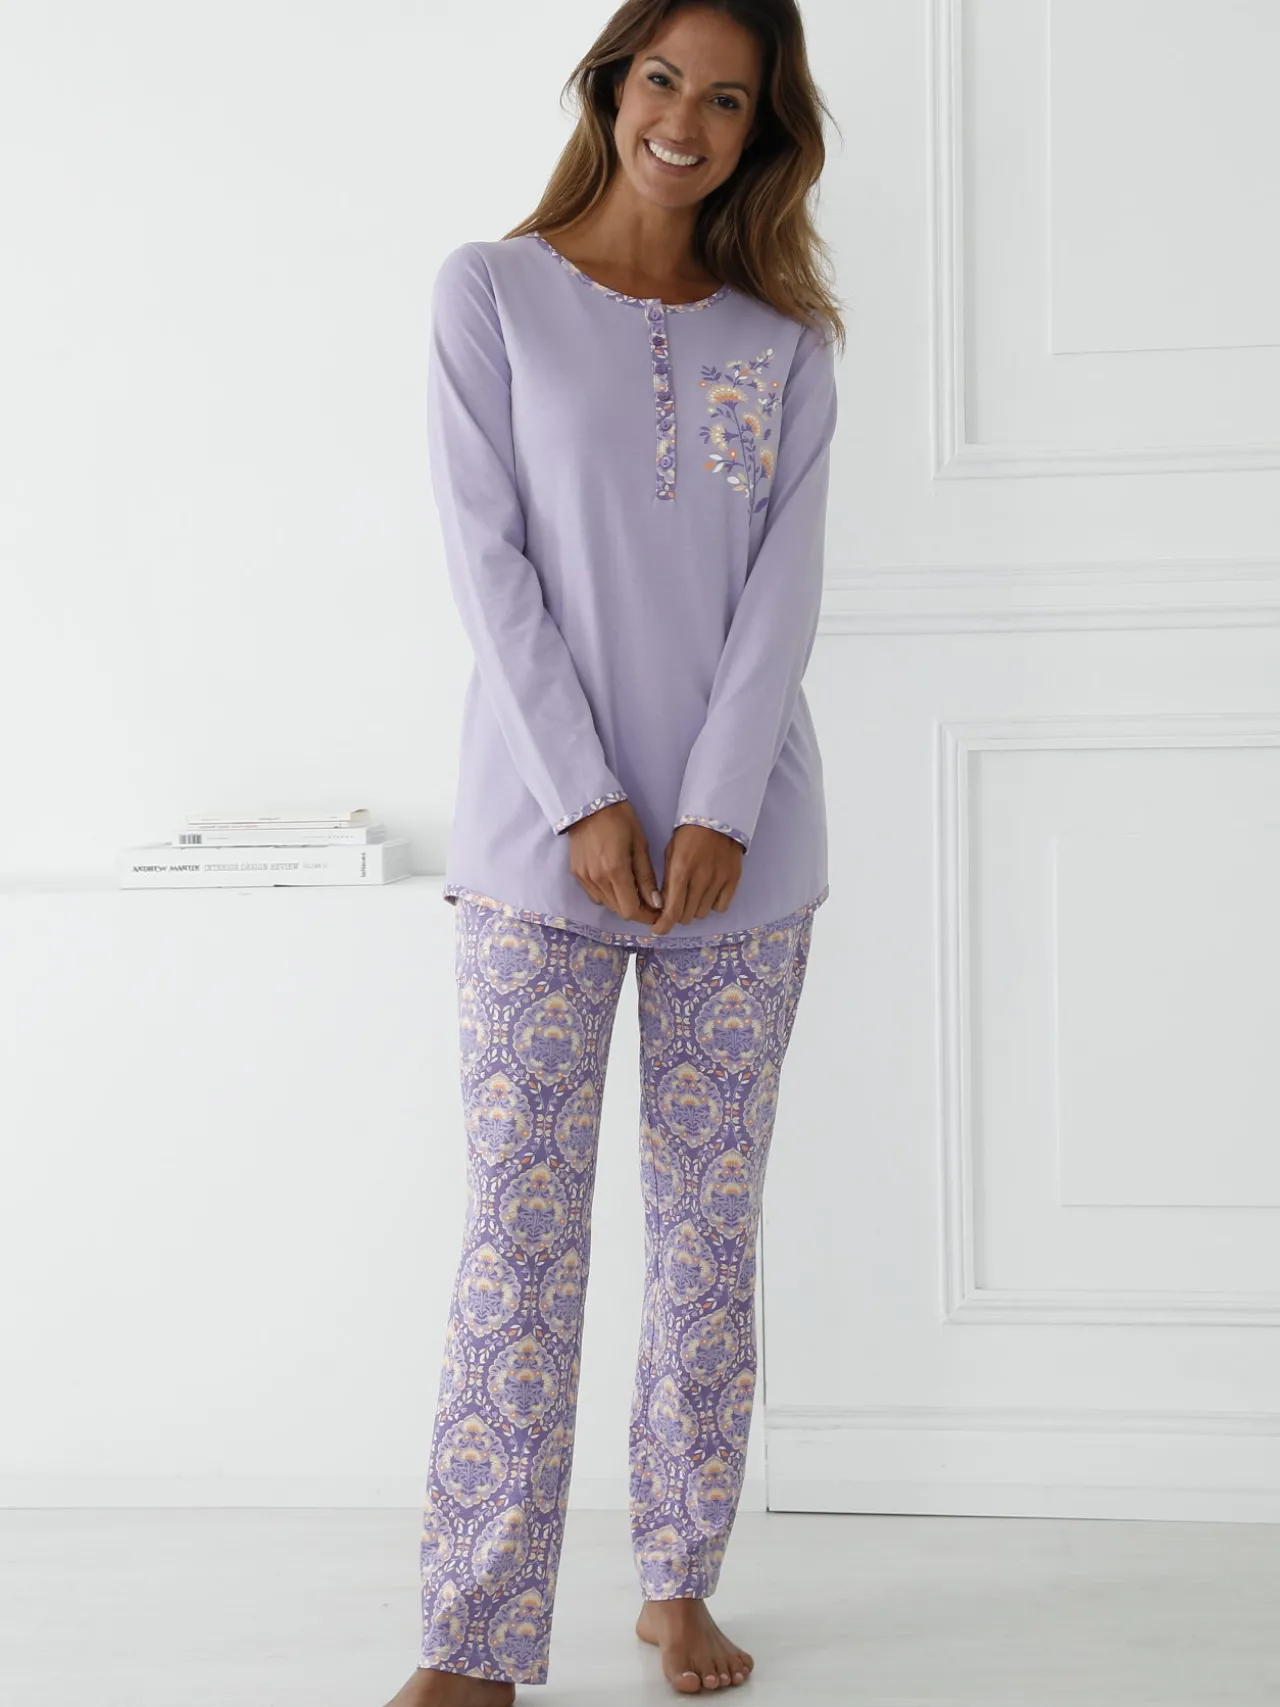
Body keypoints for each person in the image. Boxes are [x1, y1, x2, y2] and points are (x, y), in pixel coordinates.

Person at [385, 2, 843, 1701]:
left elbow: (784, 592)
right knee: (520, 1236)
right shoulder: (489, 295)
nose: (686, 121)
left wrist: (717, 808)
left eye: (728, 98)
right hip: (536, 850)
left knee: (708, 1238)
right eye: (664, 79)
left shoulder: (784, 343)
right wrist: (584, 797)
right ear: (609, 83)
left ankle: (678, 1577)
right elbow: (486, 560)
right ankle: (476, 1635)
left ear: (760, 129)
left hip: (744, 860)